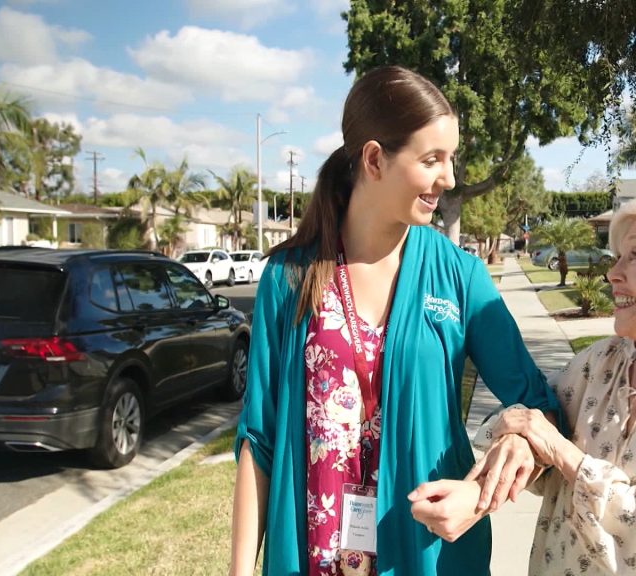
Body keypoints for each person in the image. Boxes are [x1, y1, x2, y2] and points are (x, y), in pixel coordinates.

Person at [229, 66, 559, 576]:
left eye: (451, 159)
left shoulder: (459, 277)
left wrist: (477, 494)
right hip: (311, 557)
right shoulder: (290, 278)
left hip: (427, 554)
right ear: (375, 160)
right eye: (432, 160)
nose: (449, 178)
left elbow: (538, 407)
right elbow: (259, 440)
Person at [413, 194, 636, 574]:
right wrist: (519, 443)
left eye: (635, 255)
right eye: (617, 256)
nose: (613, 273)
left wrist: (564, 455)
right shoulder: (603, 362)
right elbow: (533, 422)